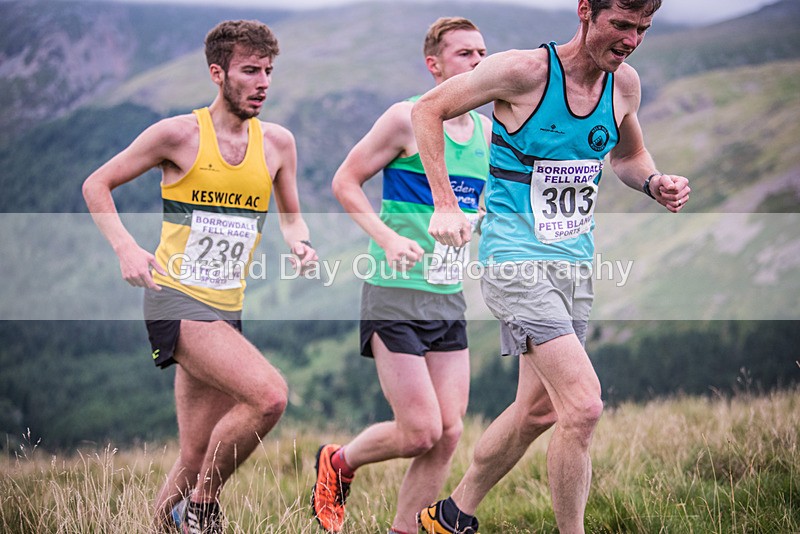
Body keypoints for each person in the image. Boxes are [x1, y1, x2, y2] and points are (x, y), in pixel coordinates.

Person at [411, 1, 691, 533]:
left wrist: (656, 183)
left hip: (574, 266)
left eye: (643, 29)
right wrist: (445, 204)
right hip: (514, 261)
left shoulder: (624, 85)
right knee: (583, 406)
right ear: (586, 11)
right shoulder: (523, 72)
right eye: (622, 25)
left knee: (538, 411)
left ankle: (450, 516)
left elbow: (628, 157)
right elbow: (426, 110)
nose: (632, 39)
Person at [82, 20, 317, 534]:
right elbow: (96, 184)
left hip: (226, 307)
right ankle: (204, 507)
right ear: (218, 73)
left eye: (269, 71)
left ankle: (162, 525)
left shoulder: (277, 144)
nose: (263, 82)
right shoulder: (177, 135)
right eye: (250, 70)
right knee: (270, 396)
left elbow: (291, 214)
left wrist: (299, 242)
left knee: (193, 452)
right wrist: (126, 248)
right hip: (175, 299)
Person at [311, 17, 491, 534]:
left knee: (449, 432)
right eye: (464, 54)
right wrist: (388, 239)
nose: (478, 62)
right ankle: (338, 463)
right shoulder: (404, 119)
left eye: (483, 53)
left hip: (448, 295)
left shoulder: (486, 131)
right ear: (434, 66)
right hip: (394, 291)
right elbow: (345, 181)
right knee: (419, 431)